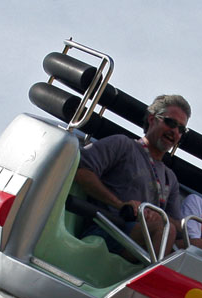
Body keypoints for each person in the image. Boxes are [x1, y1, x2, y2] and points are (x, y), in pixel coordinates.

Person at [73, 94, 191, 256]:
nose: (175, 131)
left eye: (181, 129)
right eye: (170, 122)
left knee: (196, 247)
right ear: (152, 119)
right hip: (110, 228)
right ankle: (146, 280)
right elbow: (81, 171)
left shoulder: (170, 178)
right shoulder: (123, 144)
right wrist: (120, 204)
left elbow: (177, 224)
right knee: (165, 231)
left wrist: (157, 216)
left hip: (146, 235)